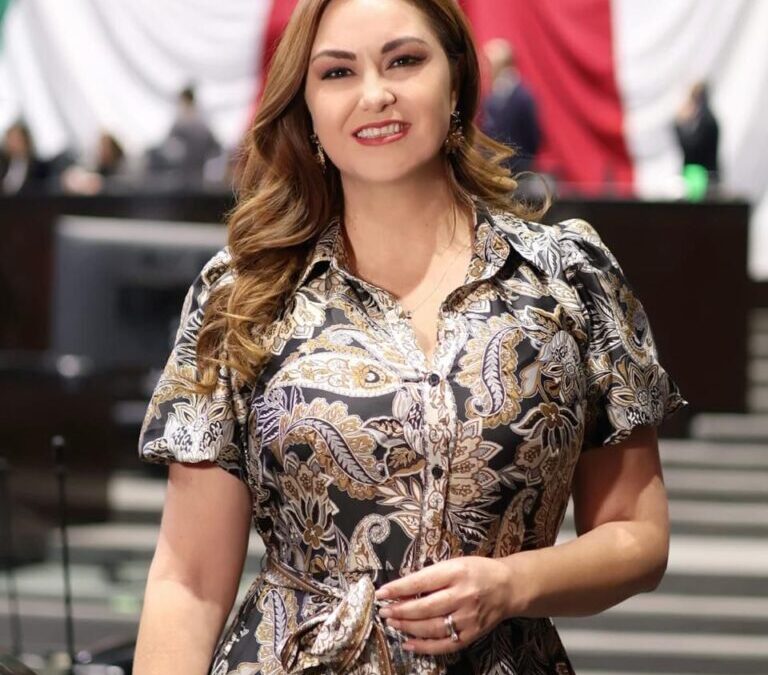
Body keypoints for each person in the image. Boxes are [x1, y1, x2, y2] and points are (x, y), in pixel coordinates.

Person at [134, 0, 687, 673]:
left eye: (403, 61)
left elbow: (638, 535)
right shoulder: (243, 293)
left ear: (455, 81)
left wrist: (513, 584)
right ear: (306, 108)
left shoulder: (567, 275)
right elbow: (188, 579)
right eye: (337, 72)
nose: (375, 94)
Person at [480, 38, 541, 174]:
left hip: (519, 168)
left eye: (490, 63)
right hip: (495, 166)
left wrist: (523, 160)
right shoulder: (492, 95)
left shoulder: (523, 96)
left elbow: (533, 136)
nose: (486, 68)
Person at [674, 81, 720, 184]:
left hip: (703, 179)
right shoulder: (704, 118)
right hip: (704, 177)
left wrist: (678, 126)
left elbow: (692, 150)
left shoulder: (706, 120)